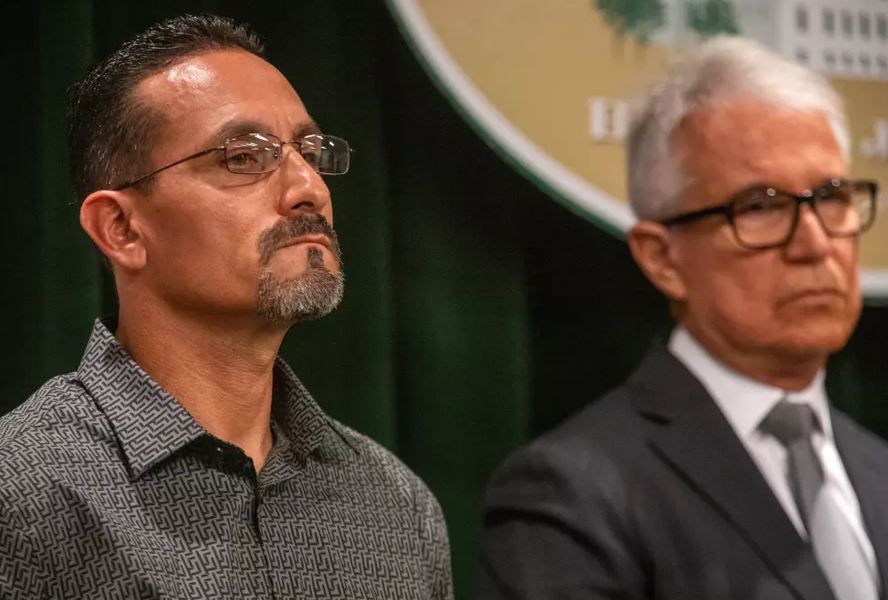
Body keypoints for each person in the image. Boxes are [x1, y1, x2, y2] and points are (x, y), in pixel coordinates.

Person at [0, 14, 452, 599]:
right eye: (243, 157)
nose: (310, 189)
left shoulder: (396, 506)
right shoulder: (23, 491)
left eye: (310, 152)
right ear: (121, 228)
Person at [476, 36, 888, 600]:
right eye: (761, 207)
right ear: (662, 258)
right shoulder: (571, 493)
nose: (816, 244)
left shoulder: (878, 468)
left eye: (832, 197)